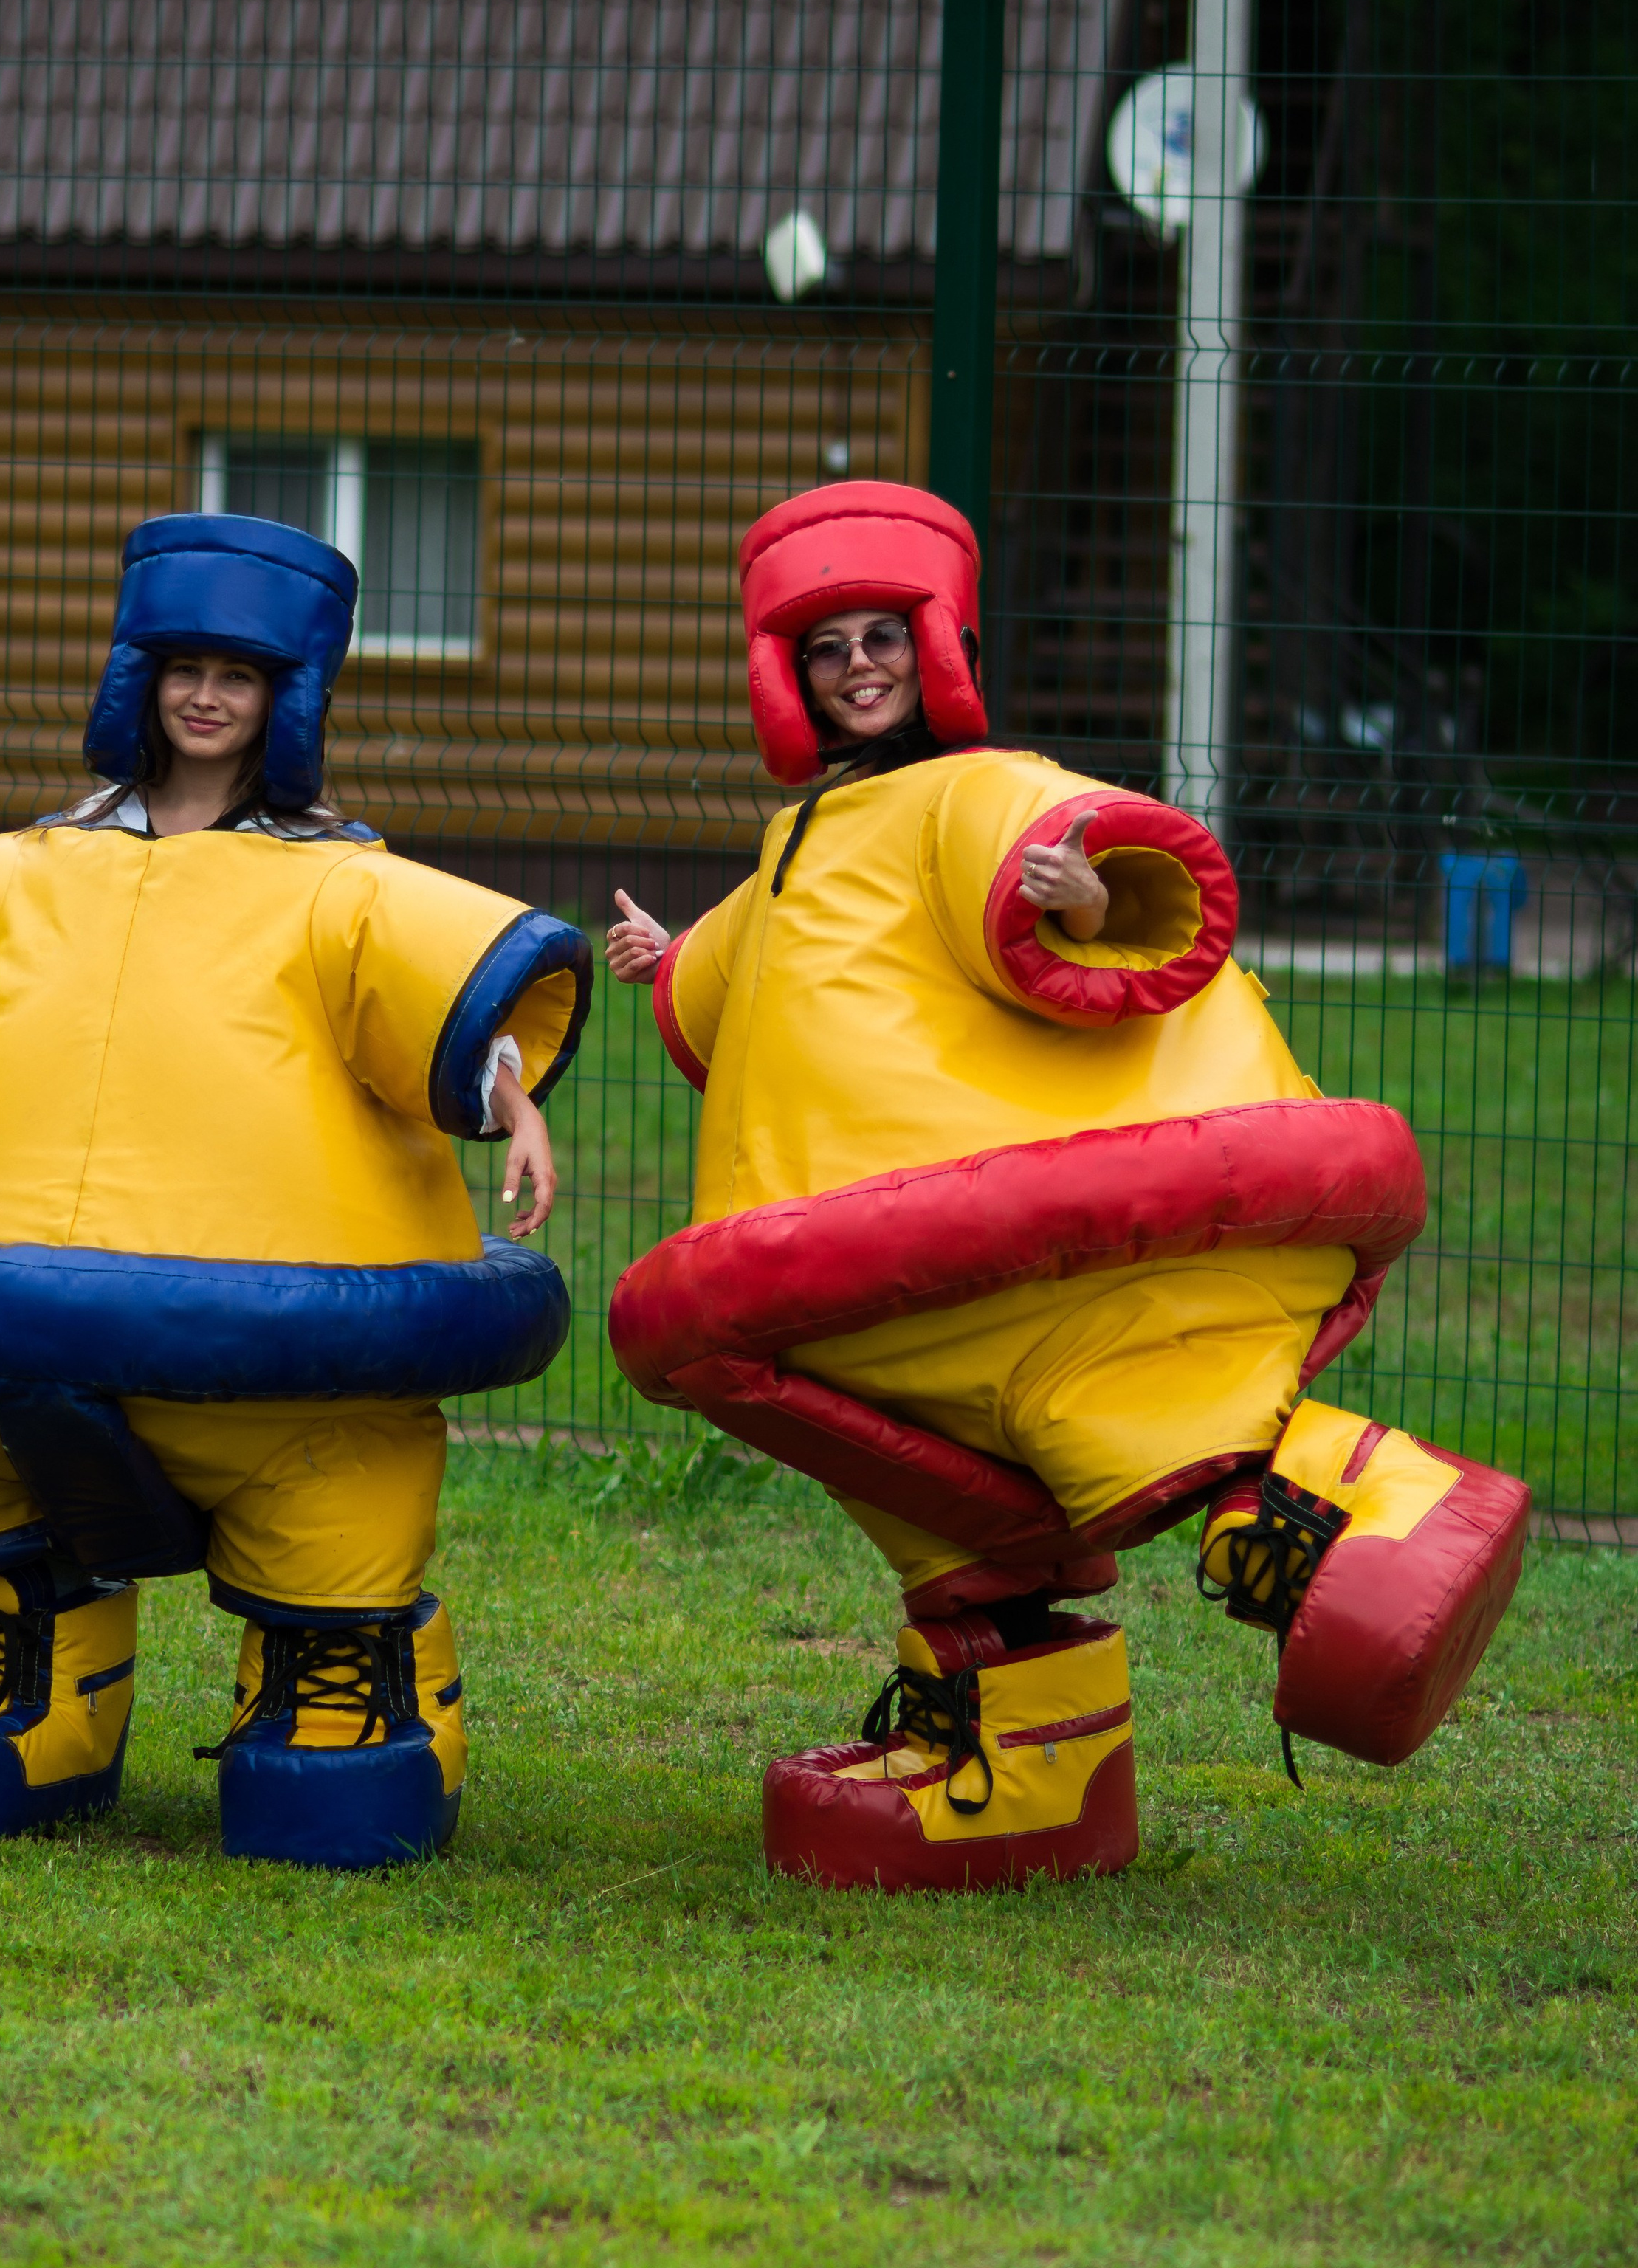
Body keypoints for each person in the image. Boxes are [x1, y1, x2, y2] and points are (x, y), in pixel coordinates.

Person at [605, 480, 1528, 1893]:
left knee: (1098, 1395)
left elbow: (1101, 858)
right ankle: (1030, 1759)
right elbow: (733, 982)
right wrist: (669, 959)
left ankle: (1350, 1512)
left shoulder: (970, 794)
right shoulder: (794, 847)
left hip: (970, 1253)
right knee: (958, 1537)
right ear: (784, 675)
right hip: (852, 1295)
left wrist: (1086, 898)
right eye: (828, 645)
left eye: (881, 638)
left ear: (939, 647)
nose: (858, 666)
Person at [0, 512, 591, 1869]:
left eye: (239, 675)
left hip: (282, 1321)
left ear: (288, 699)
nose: (206, 697)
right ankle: (12, 1646)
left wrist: (517, 1113)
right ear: (135, 680)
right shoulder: (38, 862)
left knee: (327, 1488)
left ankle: (340, 1667)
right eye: (182, 668)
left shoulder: (338, 885)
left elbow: (453, 1004)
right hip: (10, 1291)